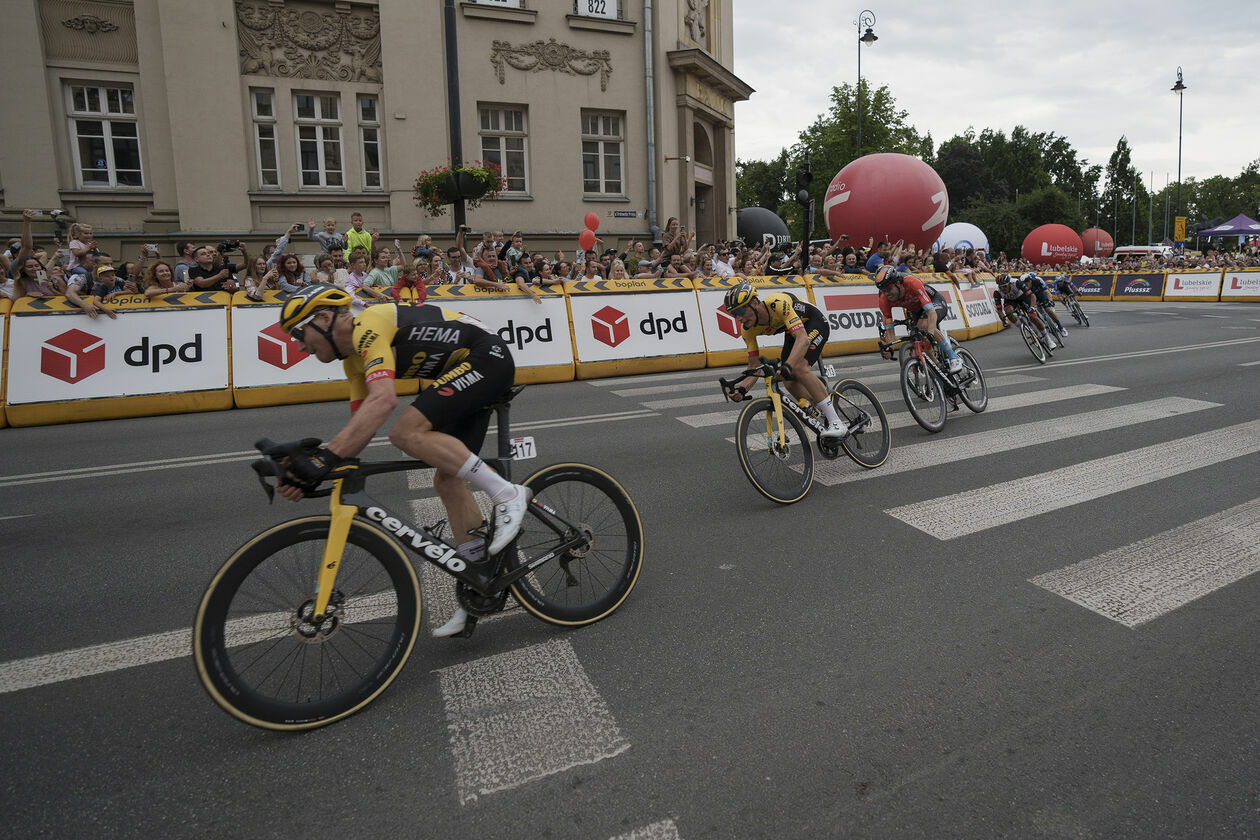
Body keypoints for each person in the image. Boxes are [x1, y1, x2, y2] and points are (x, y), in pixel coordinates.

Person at [276, 285, 531, 639]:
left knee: (405, 432)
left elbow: (383, 403)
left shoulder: (368, 326)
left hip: (487, 356)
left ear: (322, 318)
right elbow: (359, 430)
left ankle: (508, 494)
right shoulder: (353, 363)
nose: (300, 346)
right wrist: (309, 473)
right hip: (464, 369)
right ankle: (481, 583)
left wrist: (326, 456)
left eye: (298, 334)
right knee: (446, 480)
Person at [722, 283, 849, 440]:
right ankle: (822, 412)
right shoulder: (748, 330)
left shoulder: (777, 303)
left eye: (740, 311)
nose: (739, 318)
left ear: (754, 302)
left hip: (813, 323)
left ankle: (836, 422)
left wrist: (788, 365)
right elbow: (754, 366)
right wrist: (742, 390)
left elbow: (802, 339)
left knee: (798, 368)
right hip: (792, 332)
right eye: (734, 314)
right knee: (789, 381)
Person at [874, 265, 965, 374]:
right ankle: (939, 368)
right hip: (916, 310)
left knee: (924, 326)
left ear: (898, 283)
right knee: (916, 337)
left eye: (888, 288)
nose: (886, 293)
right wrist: (889, 348)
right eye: (883, 290)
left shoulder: (911, 283)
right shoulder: (884, 300)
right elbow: (890, 330)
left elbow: (931, 312)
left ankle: (954, 357)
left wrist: (930, 333)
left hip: (933, 302)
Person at [993, 273, 1057, 349]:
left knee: (1032, 316)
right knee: (1008, 312)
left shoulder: (1016, 283)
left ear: (1009, 283)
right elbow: (999, 309)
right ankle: (1023, 327)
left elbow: (1032, 296)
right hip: (1010, 301)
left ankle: (1047, 338)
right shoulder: (997, 292)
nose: (1003, 289)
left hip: (1023, 297)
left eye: (1004, 286)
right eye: (1000, 287)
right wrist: (1003, 319)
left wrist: (1032, 307)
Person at [1020, 270, 1066, 336]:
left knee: (1049, 310)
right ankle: (1045, 322)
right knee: (1038, 312)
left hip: (1041, 295)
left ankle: (1061, 327)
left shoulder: (1037, 281)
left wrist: (1050, 301)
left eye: (1026, 284)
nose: (1025, 286)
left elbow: (1046, 292)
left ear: (1030, 281)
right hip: (1034, 299)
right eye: (1024, 284)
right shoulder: (1023, 288)